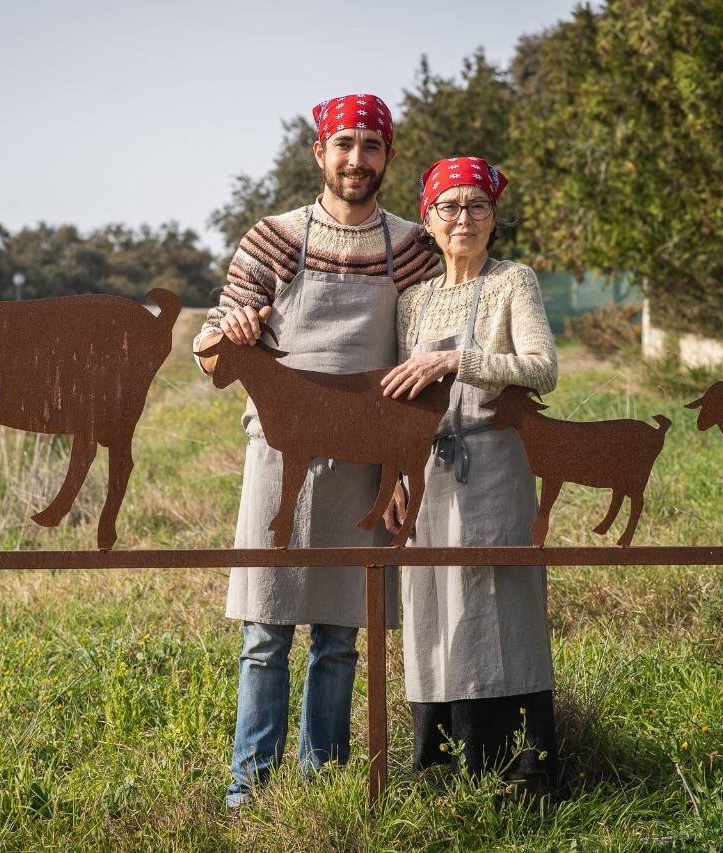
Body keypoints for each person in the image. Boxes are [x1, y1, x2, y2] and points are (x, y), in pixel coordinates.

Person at [193, 93, 441, 808]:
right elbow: (210, 355)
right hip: (279, 459)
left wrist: (403, 472)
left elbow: (423, 360)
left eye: (371, 146)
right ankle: (249, 788)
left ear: (388, 156)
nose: (357, 160)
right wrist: (231, 326)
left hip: (367, 457)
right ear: (320, 154)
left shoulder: (413, 247)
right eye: (344, 145)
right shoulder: (272, 238)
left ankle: (323, 782)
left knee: (340, 635)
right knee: (265, 632)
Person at [380, 156, 560, 791]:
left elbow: (542, 368)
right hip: (426, 470)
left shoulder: (515, 282)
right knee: (433, 600)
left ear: (493, 218)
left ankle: (521, 769)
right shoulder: (411, 301)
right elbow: (393, 399)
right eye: (449, 208)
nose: (463, 219)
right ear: (428, 222)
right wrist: (394, 476)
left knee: (498, 597)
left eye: (476, 207)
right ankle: (440, 766)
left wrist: (457, 361)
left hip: (494, 461)